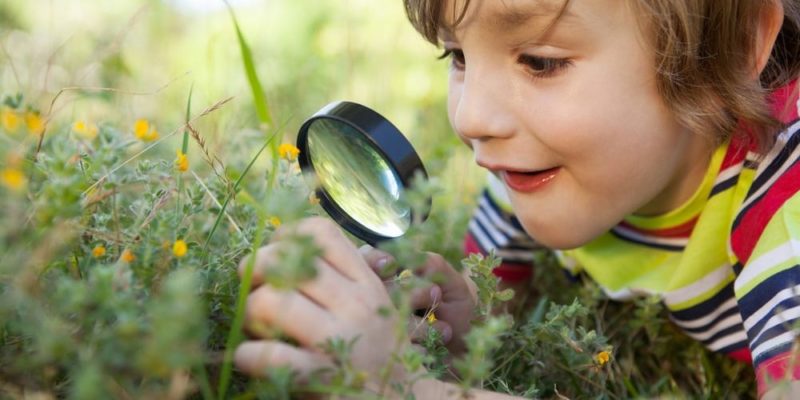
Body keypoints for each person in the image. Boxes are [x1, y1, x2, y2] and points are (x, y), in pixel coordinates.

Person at [234, 0, 800, 398]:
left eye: (540, 61)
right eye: (457, 57)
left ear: (732, 47)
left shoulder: (784, 199)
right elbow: (496, 318)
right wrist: (465, 334)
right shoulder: (531, 169)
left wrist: (405, 391)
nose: (472, 117)